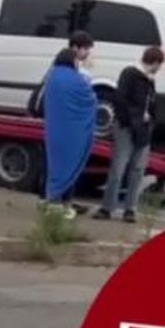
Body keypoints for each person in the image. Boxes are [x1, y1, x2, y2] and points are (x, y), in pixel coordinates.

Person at [97, 45, 164, 223]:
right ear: (155, 62)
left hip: (143, 129)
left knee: (138, 170)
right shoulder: (130, 74)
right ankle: (107, 207)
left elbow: (152, 104)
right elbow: (120, 99)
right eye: (159, 65)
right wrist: (132, 119)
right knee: (119, 167)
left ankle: (130, 209)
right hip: (127, 127)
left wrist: (151, 121)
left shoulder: (149, 81)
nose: (159, 69)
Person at [41, 31, 97, 215]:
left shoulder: (55, 73)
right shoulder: (74, 76)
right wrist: (87, 73)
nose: (88, 53)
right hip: (71, 130)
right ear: (75, 48)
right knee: (69, 163)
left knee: (55, 163)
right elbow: (89, 96)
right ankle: (59, 202)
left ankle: (53, 199)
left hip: (55, 127)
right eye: (86, 48)